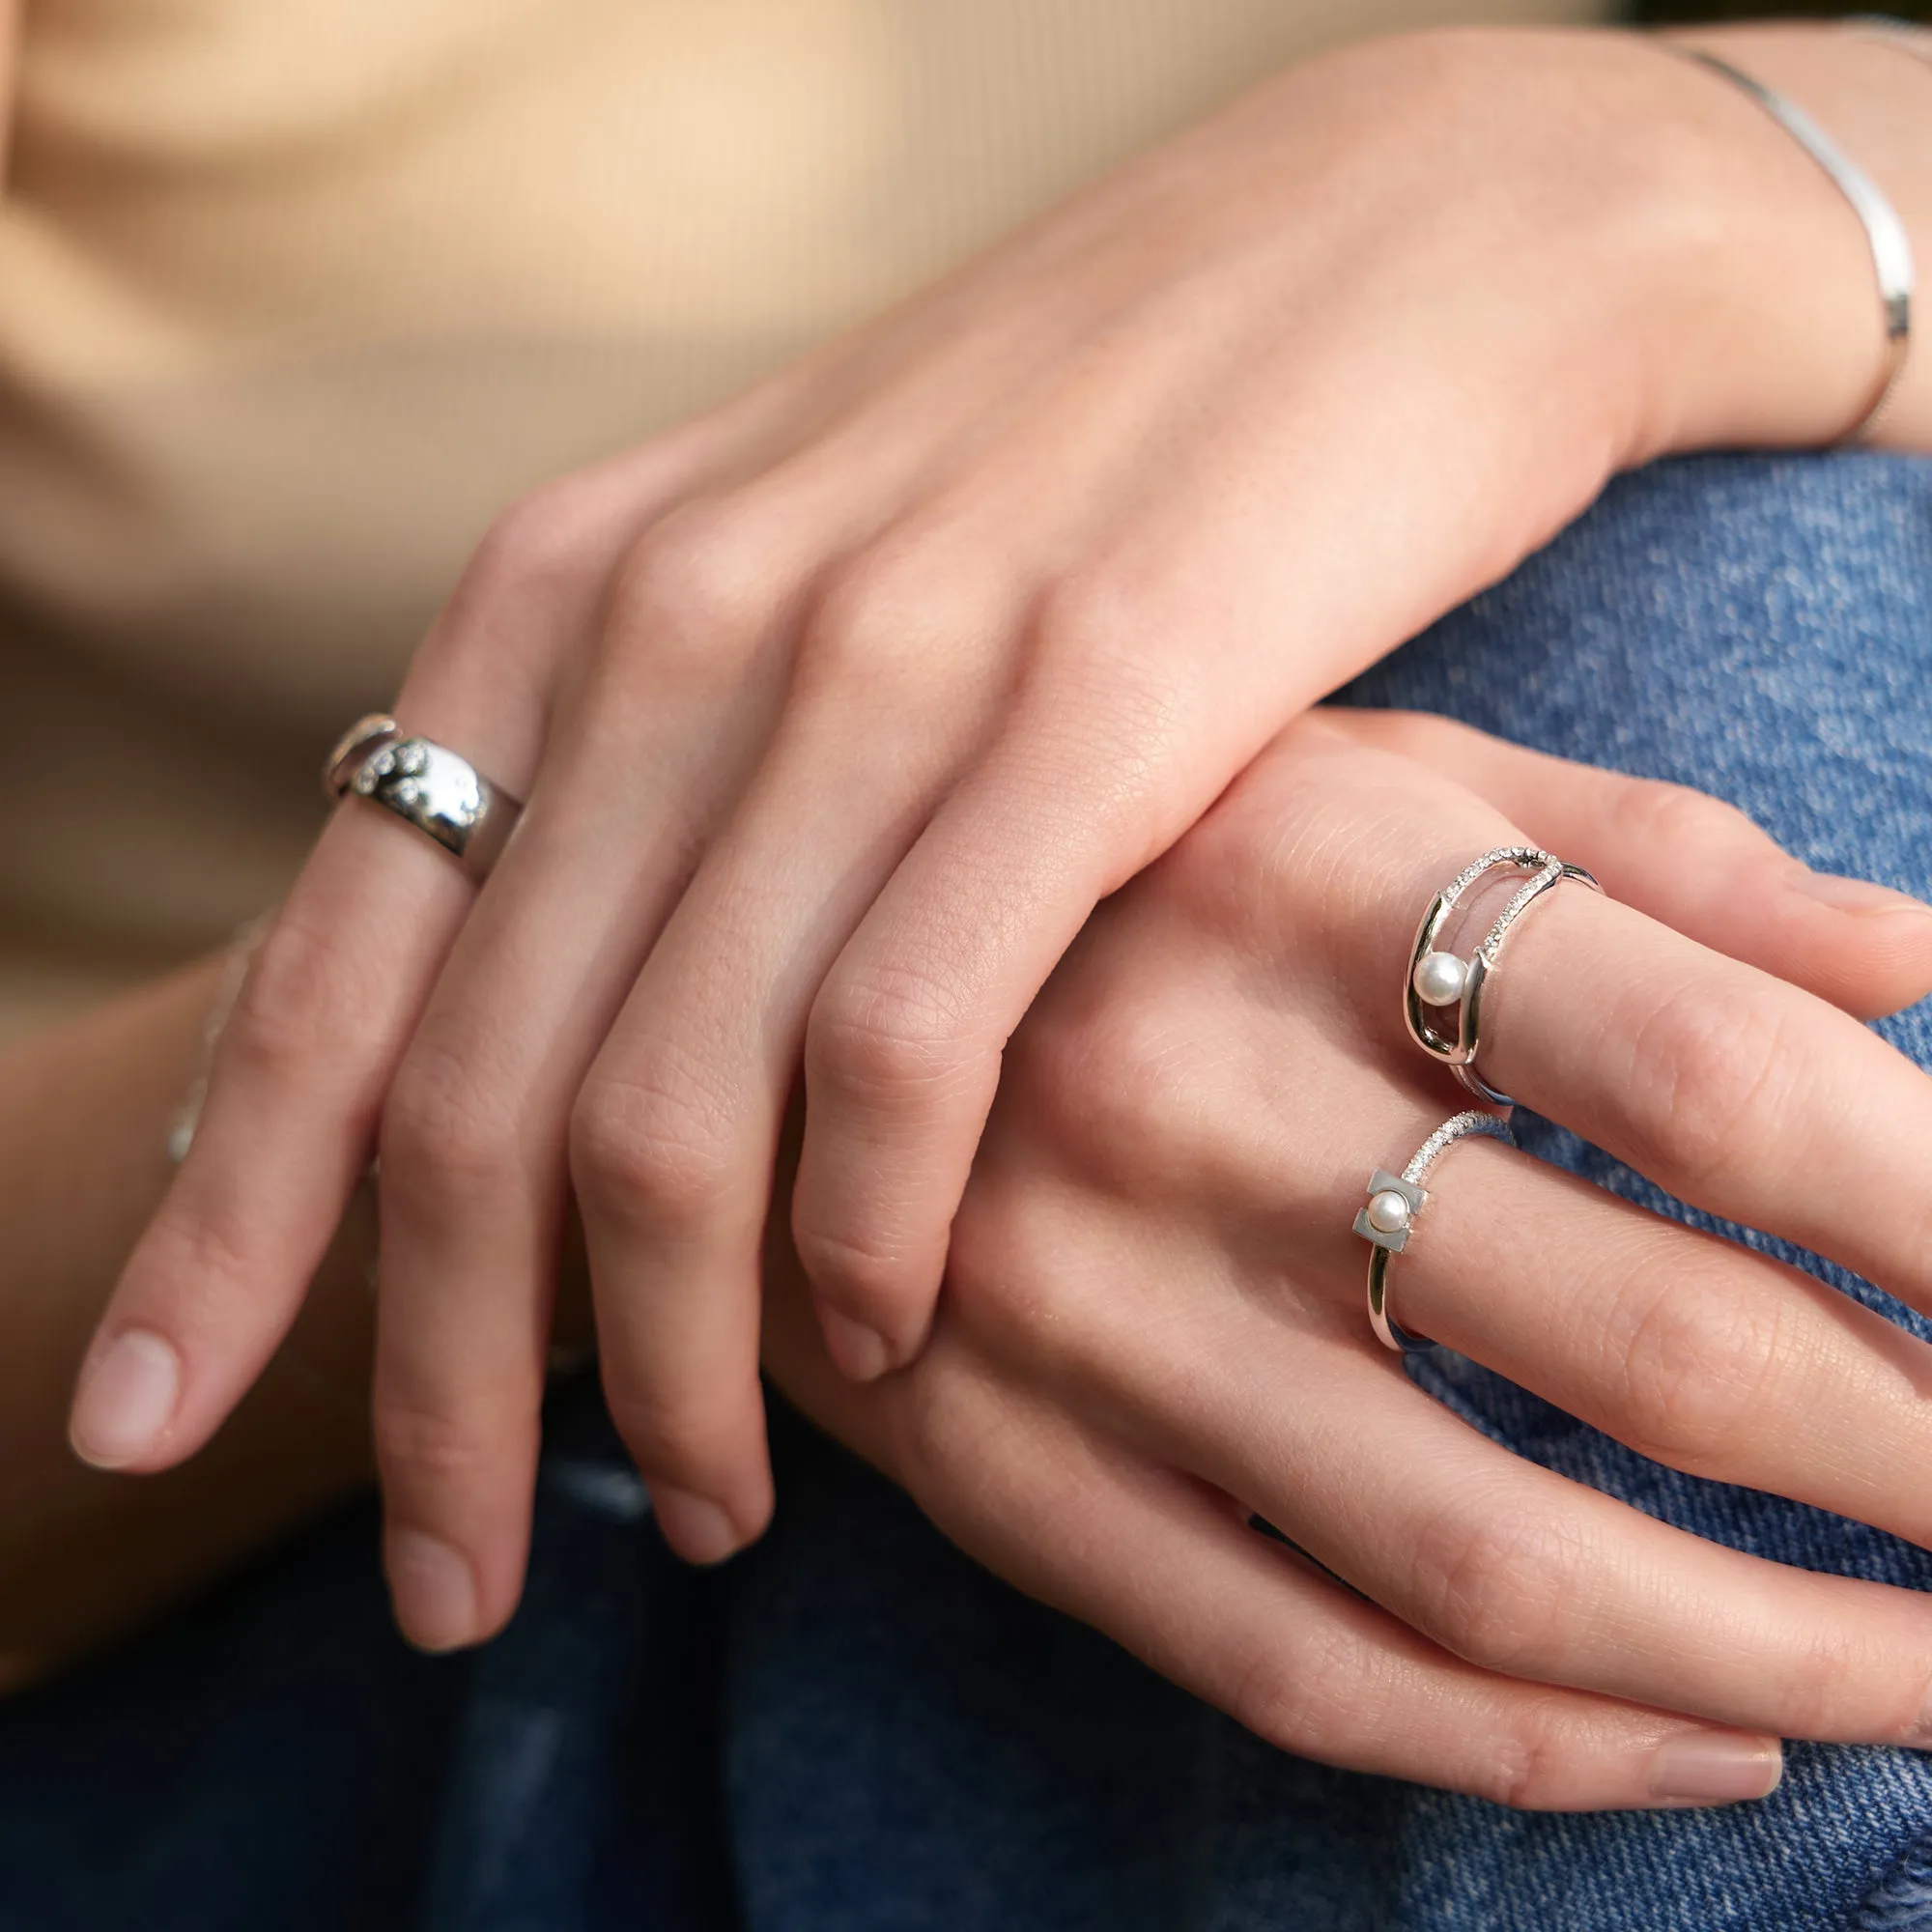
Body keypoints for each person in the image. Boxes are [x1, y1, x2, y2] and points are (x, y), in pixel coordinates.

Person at [4, 3, 1932, 1926]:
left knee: (1733, 701)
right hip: (324, 1570)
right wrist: (631, 1021)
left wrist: (1663, 174)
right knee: (1693, 742)